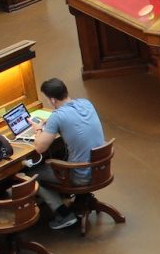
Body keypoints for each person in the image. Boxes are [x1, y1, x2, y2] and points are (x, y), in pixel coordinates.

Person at [26, 78, 108, 230]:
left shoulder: (57, 116)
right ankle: (73, 201)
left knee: (31, 174)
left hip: (81, 175)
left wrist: (38, 129)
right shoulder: (85, 103)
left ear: (51, 100)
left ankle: (63, 214)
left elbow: (39, 148)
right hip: (100, 168)